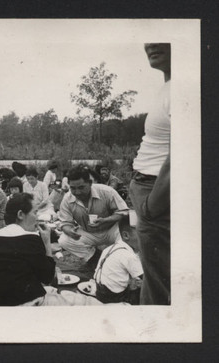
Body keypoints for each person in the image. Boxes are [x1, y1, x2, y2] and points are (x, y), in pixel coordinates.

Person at [0, 193, 102, 306]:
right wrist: (46, 242)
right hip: (28, 303)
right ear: (20, 214)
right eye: (35, 212)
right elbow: (48, 278)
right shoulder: (30, 239)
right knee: (88, 303)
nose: (37, 218)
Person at [129, 43, 171, 305]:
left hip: (157, 194)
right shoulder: (168, 86)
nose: (152, 44)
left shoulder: (181, 88)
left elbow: (185, 153)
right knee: (154, 274)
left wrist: (152, 204)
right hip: (149, 191)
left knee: (158, 284)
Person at [57, 165, 129, 276]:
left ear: (90, 183)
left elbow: (123, 212)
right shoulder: (67, 198)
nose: (77, 192)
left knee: (127, 235)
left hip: (111, 230)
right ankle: (95, 260)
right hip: (88, 232)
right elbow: (65, 222)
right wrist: (69, 230)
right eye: (73, 188)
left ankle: (121, 265)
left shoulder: (107, 191)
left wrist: (106, 220)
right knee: (64, 240)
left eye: (81, 187)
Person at [92, 215, 144, 304]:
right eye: (141, 235)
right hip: (114, 296)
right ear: (126, 235)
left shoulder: (109, 248)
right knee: (143, 287)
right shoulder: (129, 256)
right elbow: (145, 277)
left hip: (100, 291)